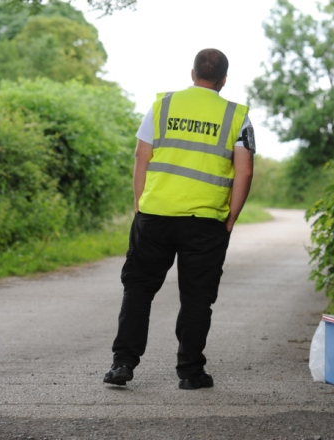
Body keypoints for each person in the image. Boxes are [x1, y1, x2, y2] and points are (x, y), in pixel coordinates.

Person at [103, 48, 255, 390]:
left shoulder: (162, 106)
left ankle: (122, 363)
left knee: (139, 289)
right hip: (205, 222)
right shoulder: (237, 116)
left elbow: (142, 157)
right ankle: (190, 372)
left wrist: (140, 204)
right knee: (198, 298)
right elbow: (244, 172)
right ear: (224, 80)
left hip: (155, 215)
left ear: (192, 73)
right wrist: (230, 218)